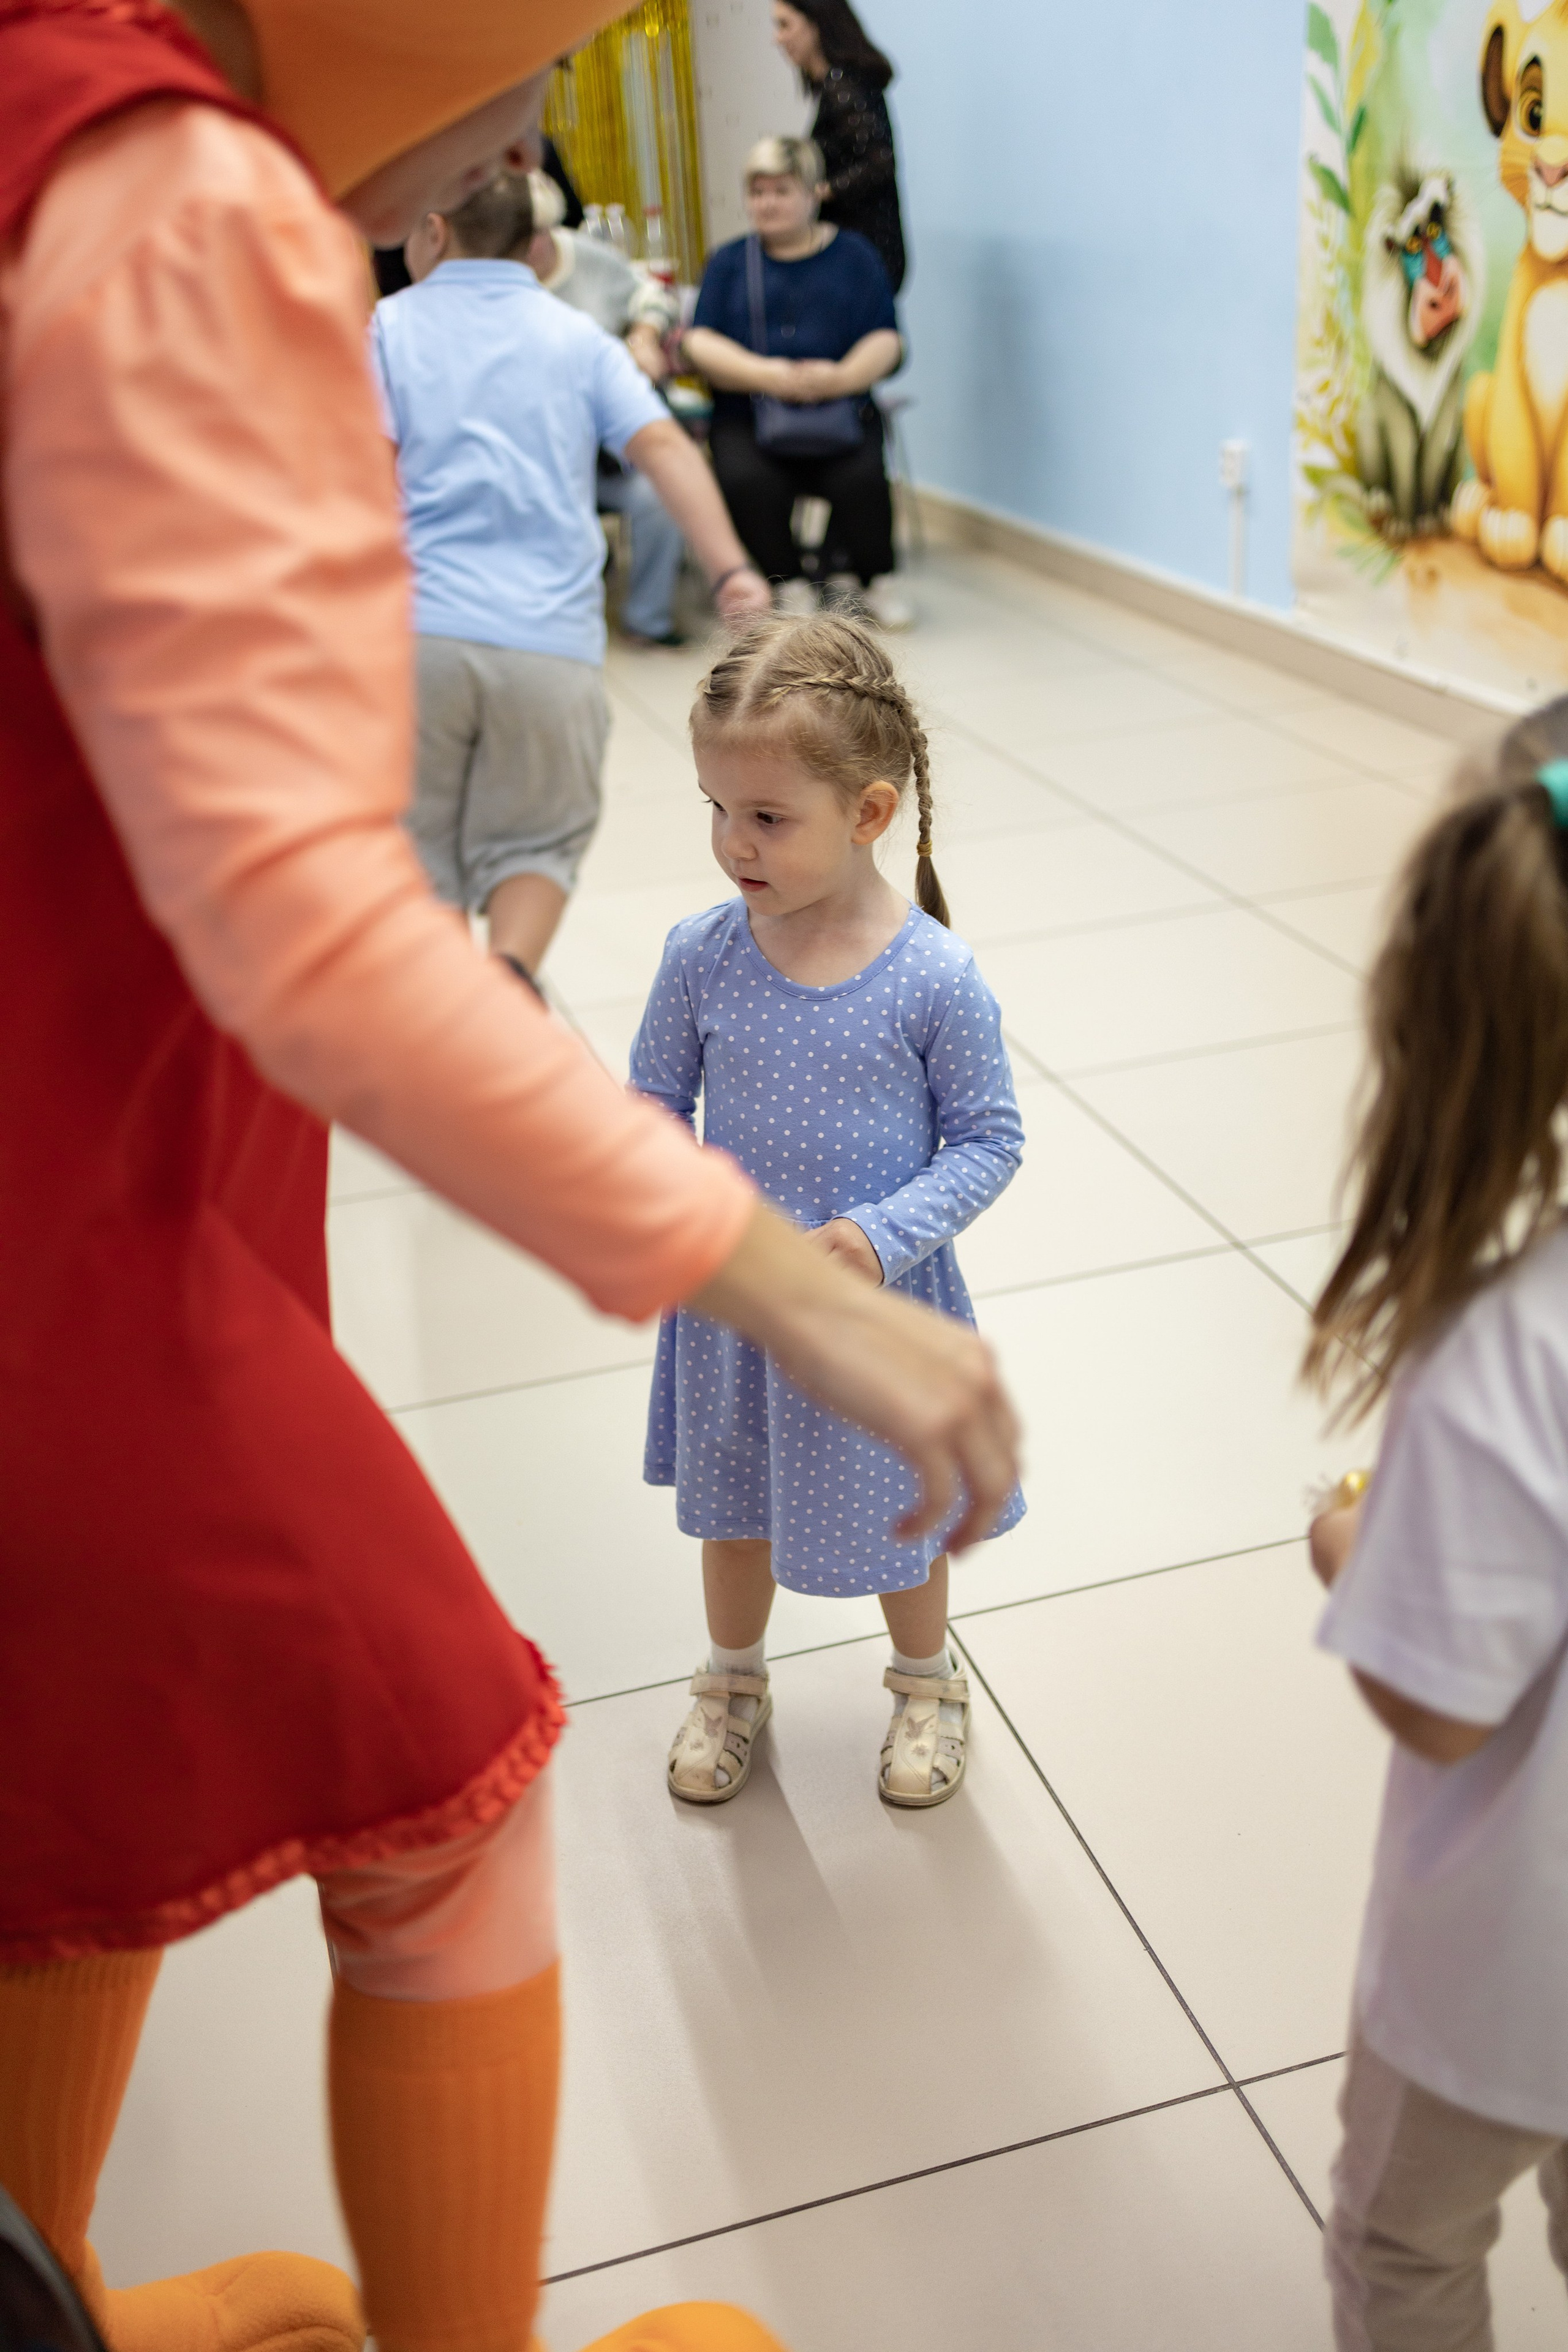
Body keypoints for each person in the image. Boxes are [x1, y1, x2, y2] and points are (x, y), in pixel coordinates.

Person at [0, 7, 1024, 2352]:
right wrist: (786, 1280)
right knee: (449, 1776)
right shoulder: (184, 183)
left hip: (82, 1131)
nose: (523, 133)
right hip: (71, 1229)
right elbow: (307, 916)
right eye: (541, 60)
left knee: (67, 1741)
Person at [633, 614, 1026, 1809]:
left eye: (763, 818)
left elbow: (989, 1142)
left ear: (865, 813)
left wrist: (879, 1234)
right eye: (713, 807)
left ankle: (923, 1682)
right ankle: (731, 1679)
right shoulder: (700, 957)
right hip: (739, 1312)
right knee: (735, 1507)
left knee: (898, 1514)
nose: (729, 844)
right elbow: (647, 1107)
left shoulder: (932, 978)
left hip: (875, 1315)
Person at [1304, 701, 1568, 2350]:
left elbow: (1444, 1699)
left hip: (1514, 1971)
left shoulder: (1508, 1345)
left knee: (1409, 2244)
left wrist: (1356, 1555)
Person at [374, 170, 772, 977]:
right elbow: (662, 446)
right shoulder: (574, 335)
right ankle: (510, 973)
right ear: (531, 245)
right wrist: (731, 569)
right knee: (539, 839)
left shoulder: (388, 326)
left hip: (418, 637)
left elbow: (356, 470)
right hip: (548, 639)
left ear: (435, 229)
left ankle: (449, 1011)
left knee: (419, 845)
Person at [684, 137, 908, 630]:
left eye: (781, 191)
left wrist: (841, 378)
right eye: (757, 192)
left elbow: (887, 340)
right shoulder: (728, 263)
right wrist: (769, 376)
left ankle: (872, 580)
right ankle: (786, 583)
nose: (767, 203)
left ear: (813, 194)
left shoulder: (854, 256)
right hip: (750, 413)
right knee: (746, 476)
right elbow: (700, 343)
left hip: (839, 409)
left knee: (861, 475)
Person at [524, 168, 690, 648]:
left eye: (541, 233)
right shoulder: (494, 280)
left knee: (661, 496)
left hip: (606, 455)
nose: (532, 247)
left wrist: (644, 332)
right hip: (539, 458)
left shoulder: (590, 260)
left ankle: (649, 620)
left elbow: (652, 296)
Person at [771, 0, 906, 295]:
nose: (777, 39)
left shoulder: (845, 87)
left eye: (785, 25)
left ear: (816, 25)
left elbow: (880, 162)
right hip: (862, 252)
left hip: (863, 255)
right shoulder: (839, 85)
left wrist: (821, 191)